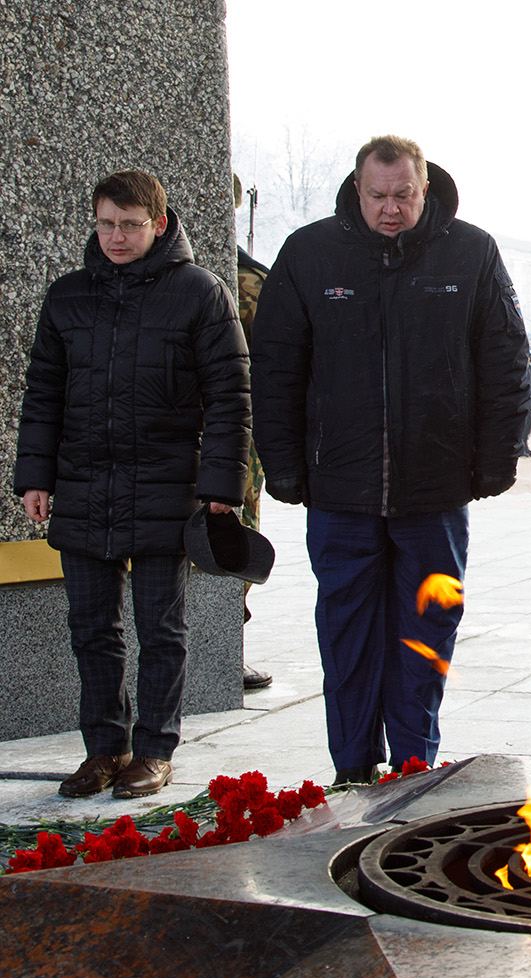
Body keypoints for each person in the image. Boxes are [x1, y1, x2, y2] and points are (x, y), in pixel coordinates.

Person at [252, 136, 530, 786]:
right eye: (377, 195)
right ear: (357, 189)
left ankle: (412, 763)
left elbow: (507, 361)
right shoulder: (310, 253)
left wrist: (498, 455)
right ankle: (352, 765)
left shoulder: (471, 252)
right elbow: (274, 367)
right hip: (339, 490)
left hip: (435, 488)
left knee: (427, 627)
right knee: (346, 631)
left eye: (403, 195)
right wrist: (282, 462)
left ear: (425, 189)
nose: (390, 208)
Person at [14, 170, 250, 799]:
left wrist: (220, 487)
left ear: (159, 224)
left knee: (160, 629)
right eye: (105, 224)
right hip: (83, 485)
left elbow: (230, 396)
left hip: (166, 486)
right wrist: (34, 478)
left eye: (129, 224)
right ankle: (104, 749)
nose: (116, 237)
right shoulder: (67, 296)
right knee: (91, 628)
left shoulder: (200, 293)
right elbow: (43, 394)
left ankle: (154, 749)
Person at [233, 173, 273, 691]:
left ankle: (226, 647)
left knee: (237, 537)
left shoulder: (253, 282)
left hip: (239, 442)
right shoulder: (251, 281)